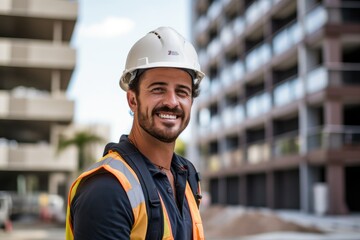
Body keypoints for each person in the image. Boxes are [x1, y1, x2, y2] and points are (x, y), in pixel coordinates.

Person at [65, 26, 205, 240]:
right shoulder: (108, 189)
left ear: (191, 102)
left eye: (182, 92)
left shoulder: (187, 177)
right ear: (132, 99)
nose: (171, 101)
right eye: (158, 89)